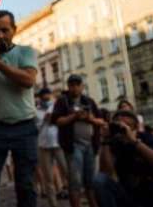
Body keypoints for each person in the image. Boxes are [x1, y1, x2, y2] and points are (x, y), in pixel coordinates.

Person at [0, 10, 39, 207]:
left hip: (25, 127)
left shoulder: (25, 52)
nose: (0, 35)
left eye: (5, 30)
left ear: (14, 30)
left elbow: (28, 80)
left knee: (26, 185)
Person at [93, 110, 153, 207]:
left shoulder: (145, 137)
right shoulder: (113, 142)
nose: (123, 130)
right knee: (100, 180)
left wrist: (134, 142)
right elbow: (106, 173)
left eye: (127, 126)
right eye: (119, 127)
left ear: (136, 128)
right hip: (129, 196)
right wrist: (105, 140)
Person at [52, 74, 105, 207]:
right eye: (72, 85)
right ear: (68, 87)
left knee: (90, 181)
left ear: (82, 86)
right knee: (75, 181)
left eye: (77, 85)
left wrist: (90, 119)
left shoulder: (89, 101)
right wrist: (74, 116)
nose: (75, 88)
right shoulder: (62, 101)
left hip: (90, 145)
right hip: (73, 146)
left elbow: (101, 121)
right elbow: (57, 121)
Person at [36, 88, 68, 207]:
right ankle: (53, 204)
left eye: (47, 95)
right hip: (43, 145)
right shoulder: (36, 111)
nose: (46, 97)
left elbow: (62, 122)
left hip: (58, 143)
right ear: (40, 97)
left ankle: (75, 199)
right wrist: (44, 120)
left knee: (67, 171)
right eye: (43, 95)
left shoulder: (56, 107)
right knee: (48, 177)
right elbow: (35, 128)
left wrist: (53, 118)